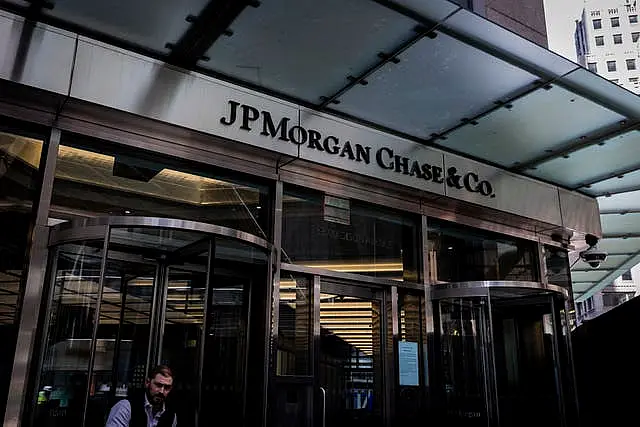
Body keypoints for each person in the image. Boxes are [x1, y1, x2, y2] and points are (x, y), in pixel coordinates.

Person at [105, 365, 177, 427]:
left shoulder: (171, 416)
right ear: (147, 383)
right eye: (158, 385)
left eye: (167, 387)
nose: (161, 391)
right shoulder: (126, 407)